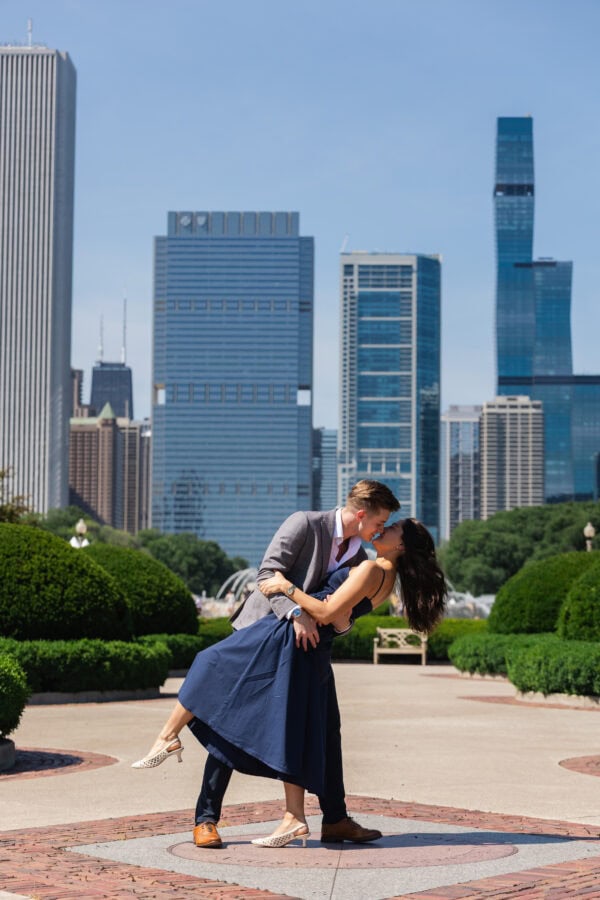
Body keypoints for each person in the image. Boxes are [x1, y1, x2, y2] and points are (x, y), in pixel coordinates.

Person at [132, 515, 447, 849]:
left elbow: (329, 615)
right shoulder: (381, 574)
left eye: (393, 526)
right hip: (306, 644)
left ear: (400, 545)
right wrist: (319, 612)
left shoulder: (369, 568)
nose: (384, 527)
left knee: (220, 678)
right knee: (308, 730)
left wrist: (286, 587)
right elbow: (339, 614)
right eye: (384, 520)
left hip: (294, 643)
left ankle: (298, 816)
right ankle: (290, 817)